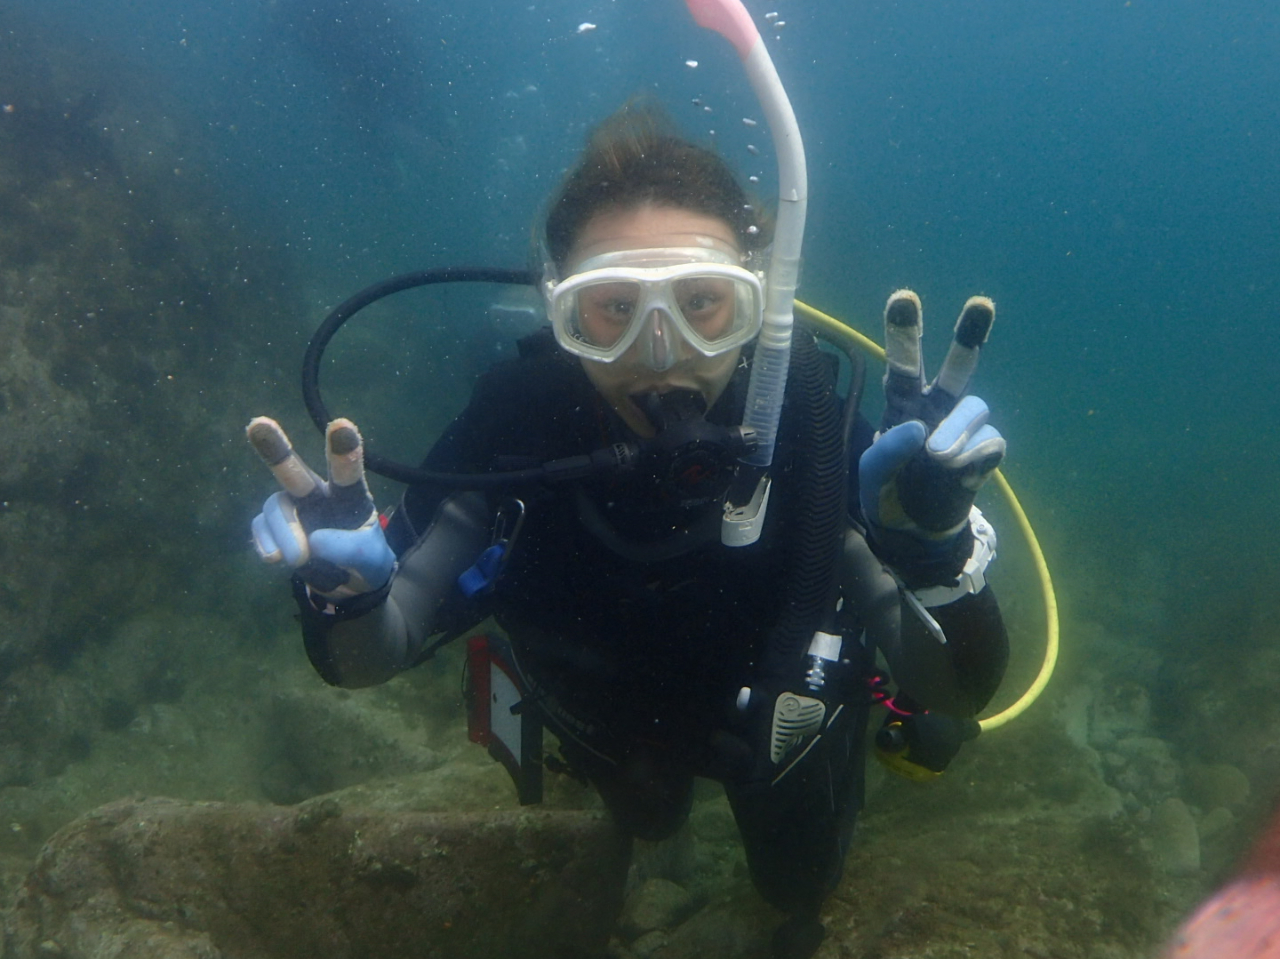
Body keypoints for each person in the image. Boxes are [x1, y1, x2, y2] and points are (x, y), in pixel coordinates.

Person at [247, 103, 1010, 959]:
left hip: (779, 731)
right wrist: (342, 599)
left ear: (760, 301)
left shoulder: (807, 428)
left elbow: (956, 692)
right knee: (647, 815)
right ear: (557, 308)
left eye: (703, 304)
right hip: (609, 722)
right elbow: (373, 653)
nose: (660, 350)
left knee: (797, 886)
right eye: (610, 308)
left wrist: (931, 551)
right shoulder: (518, 422)